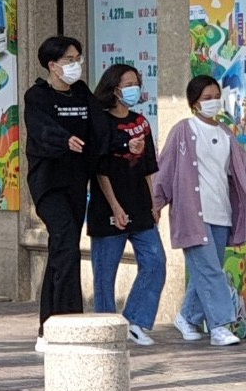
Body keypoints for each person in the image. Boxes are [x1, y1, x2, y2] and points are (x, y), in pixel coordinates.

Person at [154, 75, 246, 346]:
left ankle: (187, 316)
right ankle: (220, 326)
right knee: (210, 271)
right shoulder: (183, 130)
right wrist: (155, 203)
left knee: (209, 269)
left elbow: (244, 168)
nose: (213, 102)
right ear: (194, 103)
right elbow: (165, 169)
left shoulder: (226, 134)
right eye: (206, 98)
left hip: (221, 213)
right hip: (192, 215)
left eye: (215, 96)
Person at [24, 35, 104, 352]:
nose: (75, 65)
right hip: (48, 184)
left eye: (78, 58)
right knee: (65, 240)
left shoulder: (82, 94)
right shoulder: (38, 96)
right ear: (53, 64)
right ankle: (53, 327)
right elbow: (41, 128)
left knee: (65, 247)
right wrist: (63, 140)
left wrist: (124, 144)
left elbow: (99, 126)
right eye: (69, 59)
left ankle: (60, 324)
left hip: (75, 181)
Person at [87, 64, 166, 346]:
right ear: (114, 88)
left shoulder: (141, 122)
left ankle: (135, 321)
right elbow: (100, 170)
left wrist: (154, 202)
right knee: (105, 274)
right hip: (109, 208)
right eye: (128, 83)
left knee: (156, 262)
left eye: (137, 82)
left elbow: (149, 167)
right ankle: (107, 328)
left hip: (141, 206)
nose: (134, 88)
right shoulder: (101, 122)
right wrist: (115, 207)